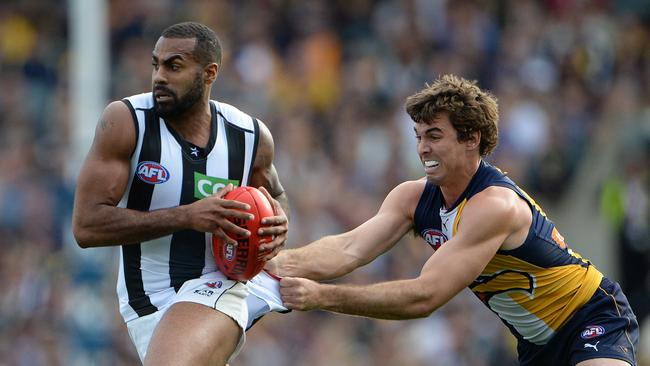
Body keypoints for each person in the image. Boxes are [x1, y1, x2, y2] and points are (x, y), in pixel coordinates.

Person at [272, 74, 639, 365]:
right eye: (418, 136)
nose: (422, 148)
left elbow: (425, 297)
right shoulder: (412, 197)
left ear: (471, 139)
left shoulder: (495, 205)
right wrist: (270, 264)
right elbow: (349, 248)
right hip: (536, 343)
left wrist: (322, 296)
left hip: (592, 315)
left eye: (434, 136)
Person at [72, 22, 289, 366]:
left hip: (219, 283)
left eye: (174, 66)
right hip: (146, 301)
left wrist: (277, 225)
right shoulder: (126, 122)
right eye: (156, 64)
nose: (159, 76)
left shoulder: (249, 135)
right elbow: (86, 227)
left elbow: (275, 197)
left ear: (209, 73)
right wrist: (187, 216)